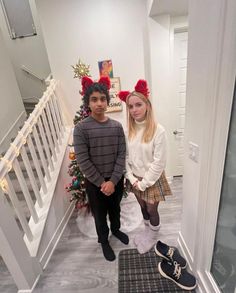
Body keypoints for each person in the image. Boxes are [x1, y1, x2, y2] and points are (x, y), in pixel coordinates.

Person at [73, 76, 129, 262]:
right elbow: (83, 159)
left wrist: (113, 181)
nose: (99, 103)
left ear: (107, 100)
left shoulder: (117, 126)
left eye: (102, 99)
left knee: (115, 209)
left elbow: (122, 154)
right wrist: (102, 183)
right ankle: (104, 240)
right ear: (87, 102)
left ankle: (116, 230)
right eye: (94, 99)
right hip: (95, 184)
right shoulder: (81, 129)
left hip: (116, 181)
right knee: (99, 215)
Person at [118, 79, 172, 254]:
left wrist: (143, 183)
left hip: (152, 179)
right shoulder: (128, 131)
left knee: (151, 208)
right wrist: (132, 179)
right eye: (131, 107)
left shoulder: (158, 130)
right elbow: (125, 157)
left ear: (147, 105)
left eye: (138, 105)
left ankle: (152, 235)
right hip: (135, 179)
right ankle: (147, 230)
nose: (134, 110)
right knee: (142, 207)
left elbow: (159, 162)